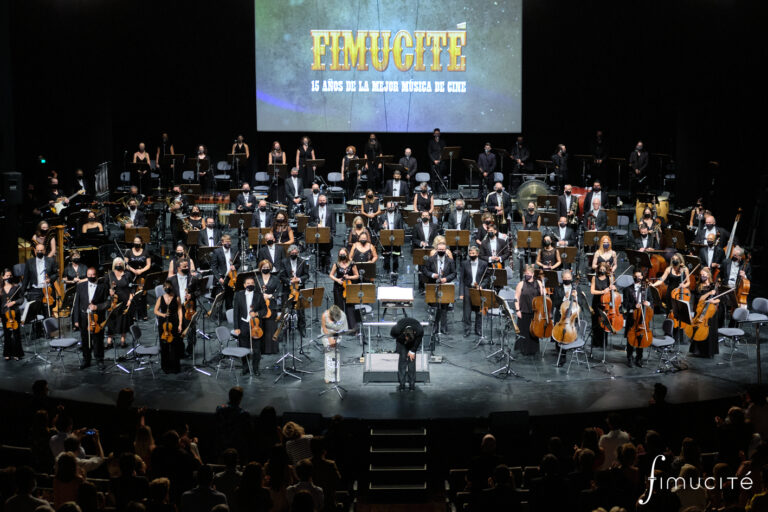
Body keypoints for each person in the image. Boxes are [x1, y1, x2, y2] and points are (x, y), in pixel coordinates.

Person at [72, 267, 110, 369]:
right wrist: (76, 319)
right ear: (86, 275)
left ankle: (99, 360)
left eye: (93, 275)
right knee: (85, 340)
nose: (91, 276)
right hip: (84, 317)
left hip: (97, 317)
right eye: (89, 275)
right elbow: (77, 304)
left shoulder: (103, 286)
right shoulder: (81, 286)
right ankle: (86, 360)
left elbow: (107, 302)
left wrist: (97, 307)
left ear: (96, 275)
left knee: (98, 339)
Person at [233, 276, 268, 375]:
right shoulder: (238, 295)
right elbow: (236, 312)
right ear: (244, 285)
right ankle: (245, 367)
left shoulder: (259, 295)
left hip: (255, 325)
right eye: (248, 283)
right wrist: (236, 327)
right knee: (243, 348)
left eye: (252, 283)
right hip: (243, 324)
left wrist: (256, 314)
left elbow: (264, 310)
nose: (250, 284)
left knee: (257, 349)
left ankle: (256, 368)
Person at [422, 242, 456, 337]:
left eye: (443, 250)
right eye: (439, 249)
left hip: (445, 286)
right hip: (433, 285)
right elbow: (425, 270)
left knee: (444, 307)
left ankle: (444, 328)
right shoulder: (430, 259)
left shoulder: (450, 261)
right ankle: (435, 327)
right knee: (435, 306)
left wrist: (446, 279)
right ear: (436, 250)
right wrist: (433, 275)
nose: (441, 251)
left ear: (446, 250)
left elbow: (454, 273)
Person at [623, 271, 653, 368]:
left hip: (643, 316)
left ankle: (639, 358)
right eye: (637, 276)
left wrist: (648, 303)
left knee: (642, 337)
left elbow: (651, 301)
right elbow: (625, 305)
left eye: (640, 276)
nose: (639, 277)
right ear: (633, 277)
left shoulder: (646, 288)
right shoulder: (627, 289)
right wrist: (634, 305)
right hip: (632, 317)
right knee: (630, 338)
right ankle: (629, 358)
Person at [278, 245, 309, 337]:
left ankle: (301, 328)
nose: (294, 254)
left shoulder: (302, 262)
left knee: (301, 310)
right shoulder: (284, 262)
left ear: (298, 253)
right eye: (292, 253)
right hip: (287, 289)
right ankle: (285, 329)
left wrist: (299, 279)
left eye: (295, 253)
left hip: (299, 289)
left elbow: (306, 275)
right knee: (286, 309)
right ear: (289, 253)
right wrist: (289, 281)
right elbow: (282, 275)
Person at [689, 267, 720, 358]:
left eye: (704, 274)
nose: (702, 276)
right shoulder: (699, 286)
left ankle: (709, 352)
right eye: (701, 275)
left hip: (710, 311)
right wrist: (709, 293)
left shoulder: (713, 285)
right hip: (700, 310)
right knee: (698, 330)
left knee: (709, 331)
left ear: (708, 275)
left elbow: (718, 299)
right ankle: (698, 351)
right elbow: (700, 299)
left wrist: (713, 301)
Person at [170, 258, 198, 356]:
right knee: (177, 331)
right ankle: (180, 351)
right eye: (184, 266)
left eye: (187, 266)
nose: (187, 268)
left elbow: (198, 292)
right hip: (177, 309)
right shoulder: (171, 280)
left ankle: (190, 350)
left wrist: (192, 295)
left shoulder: (193, 279)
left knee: (191, 331)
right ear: (178, 268)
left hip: (189, 308)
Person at [155, 279, 183, 373]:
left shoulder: (176, 298)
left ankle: (175, 367)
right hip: (163, 324)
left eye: (169, 287)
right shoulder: (160, 298)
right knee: (164, 345)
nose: (167, 289)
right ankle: (165, 367)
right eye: (165, 287)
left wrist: (180, 324)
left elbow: (180, 311)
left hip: (173, 321)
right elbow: (155, 310)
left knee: (174, 344)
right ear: (163, 288)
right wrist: (162, 315)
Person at [514, 265, 544, 356]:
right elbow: (516, 297)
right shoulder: (521, 284)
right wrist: (517, 310)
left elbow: (542, 296)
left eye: (528, 274)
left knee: (534, 331)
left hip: (535, 311)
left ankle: (533, 349)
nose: (527, 275)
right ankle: (522, 349)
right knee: (523, 330)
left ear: (533, 274)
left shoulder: (538, 283)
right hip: (524, 310)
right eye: (525, 273)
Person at [460, 246, 490, 337]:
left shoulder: (484, 264)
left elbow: (487, 277)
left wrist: (482, 286)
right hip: (468, 288)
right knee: (467, 311)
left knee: (479, 311)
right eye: (470, 253)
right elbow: (461, 279)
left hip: (478, 289)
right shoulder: (464, 263)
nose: (471, 255)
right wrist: (461, 293)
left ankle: (478, 330)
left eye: (473, 253)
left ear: (477, 254)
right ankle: (467, 330)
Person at [106, 258, 134, 349]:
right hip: (113, 302)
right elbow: (105, 287)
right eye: (117, 263)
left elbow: (132, 288)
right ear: (114, 264)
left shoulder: (127, 275)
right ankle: (109, 341)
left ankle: (123, 341)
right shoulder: (110, 275)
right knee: (111, 321)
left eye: (120, 263)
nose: (119, 264)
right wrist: (109, 291)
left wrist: (130, 300)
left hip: (125, 301)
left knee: (124, 322)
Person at [390, 316, 423, 391]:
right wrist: (402, 339)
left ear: (414, 332)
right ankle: (402, 384)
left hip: (413, 342)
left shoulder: (419, 330)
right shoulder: (397, 329)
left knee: (411, 361)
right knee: (402, 362)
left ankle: (412, 385)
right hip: (402, 342)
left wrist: (412, 351)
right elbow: (392, 335)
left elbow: (418, 340)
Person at [330, 249, 359, 332]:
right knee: (339, 306)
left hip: (349, 287)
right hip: (338, 287)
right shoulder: (336, 264)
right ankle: (340, 327)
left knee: (350, 307)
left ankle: (352, 327)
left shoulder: (352, 264)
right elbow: (331, 275)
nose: (342, 255)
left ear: (347, 254)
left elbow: (357, 275)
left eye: (344, 254)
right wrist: (337, 280)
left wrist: (349, 277)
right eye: (340, 254)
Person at [21, 243, 58, 309]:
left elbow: (56, 274)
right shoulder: (29, 262)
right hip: (35, 291)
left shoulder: (51, 261)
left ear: (44, 251)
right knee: (36, 311)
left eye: (41, 250)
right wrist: (22, 292)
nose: (39, 252)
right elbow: (26, 278)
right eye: (38, 250)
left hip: (47, 290)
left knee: (47, 311)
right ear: (35, 251)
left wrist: (49, 279)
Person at [255, 260, 280, 354]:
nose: (265, 269)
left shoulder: (275, 279)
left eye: (267, 267)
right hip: (259, 306)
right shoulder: (256, 279)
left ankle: (271, 349)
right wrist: (260, 296)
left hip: (271, 306)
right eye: (263, 267)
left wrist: (271, 296)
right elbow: (253, 292)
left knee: (270, 328)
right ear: (260, 268)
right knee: (260, 326)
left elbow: (279, 292)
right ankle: (260, 349)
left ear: (270, 268)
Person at [320, 305, 348, 384]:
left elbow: (343, 329)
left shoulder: (343, 316)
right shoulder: (325, 315)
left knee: (336, 355)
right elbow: (324, 328)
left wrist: (336, 338)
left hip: (337, 334)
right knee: (329, 354)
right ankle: (328, 377)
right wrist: (330, 338)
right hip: (326, 334)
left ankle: (336, 376)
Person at [1, 268, 24, 361]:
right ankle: (7, 353)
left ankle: (17, 353)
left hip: (15, 313)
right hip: (4, 313)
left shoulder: (16, 287)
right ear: (3, 277)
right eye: (7, 276)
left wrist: (14, 302)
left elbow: (22, 299)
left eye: (10, 275)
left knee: (16, 334)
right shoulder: (0, 289)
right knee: (7, 334)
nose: (9, 277)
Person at [126, 236, 151, 321]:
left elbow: (148, 265)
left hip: (142, 276)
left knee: (142, 295)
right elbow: (126, 264)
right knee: (132, 294)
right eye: (135, 242)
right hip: (132, 276)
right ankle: (132, 314)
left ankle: (143, 314)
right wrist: (133, 270)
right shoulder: (128, 252)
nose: (136, 244)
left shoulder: (145, 252)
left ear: (141, 243)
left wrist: (141, 271)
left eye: (138, 242)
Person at [590, 262, 614, 349]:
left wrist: (613, 288)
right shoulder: (594, 278)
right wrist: (602, 292)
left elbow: (613, 290)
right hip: (596, 302)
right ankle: (596, 343)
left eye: (604, 269)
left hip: (605, 303)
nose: (602, 271)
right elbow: (592, 291)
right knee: (596, 322)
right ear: (598, 269)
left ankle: (603, 343)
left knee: (604, 322)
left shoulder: (609, 278)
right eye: (601, 269)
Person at [309, 195, 335, 273]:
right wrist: (316, 225)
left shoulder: (331, 210)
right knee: (318, 251)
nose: (322, 202)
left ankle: (327, 267)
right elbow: (310, 222)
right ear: (318, 201)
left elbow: (333, 222)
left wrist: (333, 234)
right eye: (320, 200)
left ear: (326, 200)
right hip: (317, 233)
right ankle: (319, 266)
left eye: (323, 200)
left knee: (327, 251)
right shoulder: (314, 210)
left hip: (328, 233)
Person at [379, 202, 403, 277]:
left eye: (392, 207)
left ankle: (395, 268)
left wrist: (400, 237)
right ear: (386, 207)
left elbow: (401, 227)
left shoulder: (398, 216)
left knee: (396, 253)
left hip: (396, 236)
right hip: (386, 236)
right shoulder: (382, 216)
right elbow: (379, 227)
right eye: (389, 207)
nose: (390, 209)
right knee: (386, 253)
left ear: (394, 208)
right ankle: (387, 268)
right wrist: (383, 226)